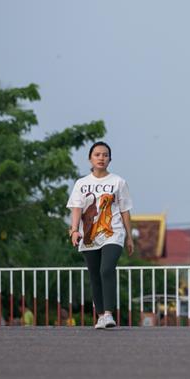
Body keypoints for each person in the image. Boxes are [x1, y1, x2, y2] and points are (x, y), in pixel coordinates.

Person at [67, 141, 134, 330]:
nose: (101, 158)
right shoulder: (82, 183)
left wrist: (129, 237)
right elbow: (76, 208)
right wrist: (74, 230)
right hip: (89, 235)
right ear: (90, 158)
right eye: (97, 155)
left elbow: (125, 211)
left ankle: (109, 314)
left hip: (113, 232)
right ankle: (101, 315)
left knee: (106, 269)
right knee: (95, 274)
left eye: (105, 155)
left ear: (110, 159)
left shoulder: (118, 182)